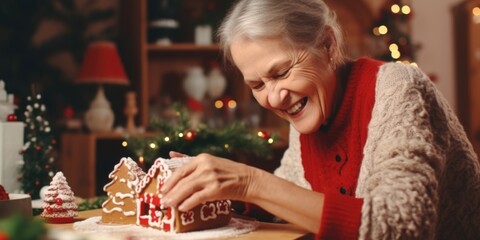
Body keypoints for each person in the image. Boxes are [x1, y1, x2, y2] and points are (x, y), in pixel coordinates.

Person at [159, 0, 480, 239]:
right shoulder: (308, 108)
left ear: (327, 44)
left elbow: (400, 226)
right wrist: (215, 190)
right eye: (257, 85)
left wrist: (249, 182)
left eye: (282, 72)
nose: (273, 98)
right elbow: (289, 191)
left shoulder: (397, 86)